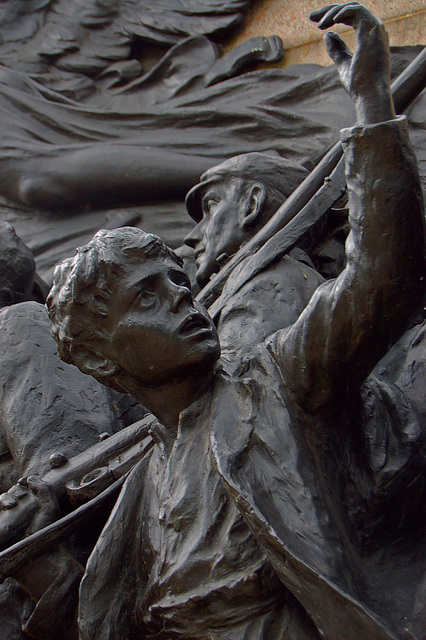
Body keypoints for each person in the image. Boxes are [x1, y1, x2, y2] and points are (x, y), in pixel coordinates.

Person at [46, 5, 425, 640]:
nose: (184, 299)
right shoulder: (138, 495)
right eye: (148, 298)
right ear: (104, 361)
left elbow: (381, 278)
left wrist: (372, 109)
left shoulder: (274, 378)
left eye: (177, 281)